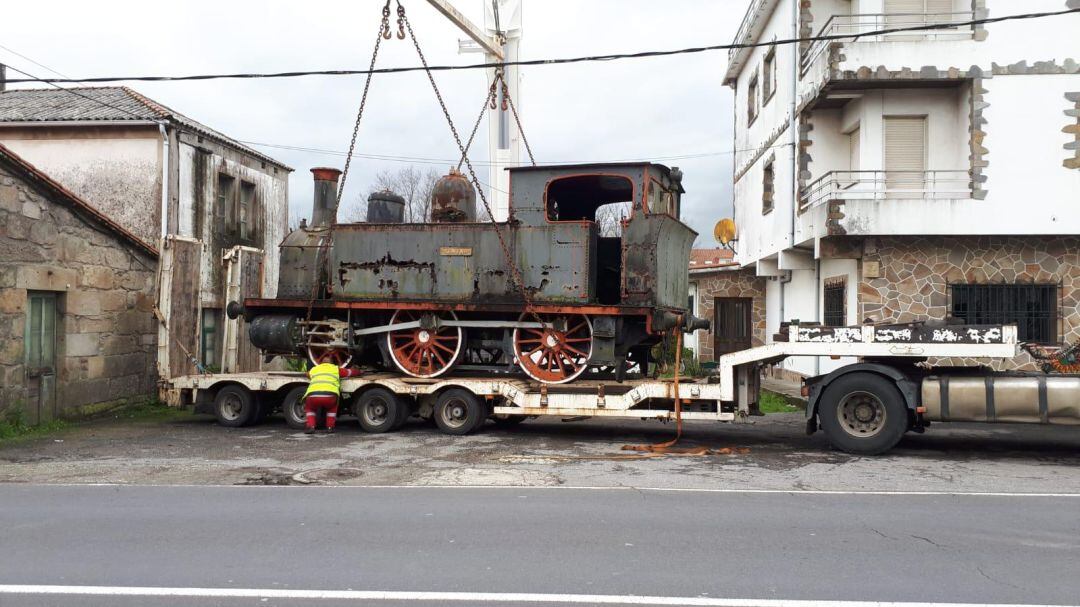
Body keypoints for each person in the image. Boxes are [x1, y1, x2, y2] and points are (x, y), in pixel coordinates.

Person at [303, 362, 361, 434]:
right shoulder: (335, 369)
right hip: (330, 395)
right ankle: (330, 427)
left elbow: (307, 374)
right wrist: (359, 371)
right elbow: (349, 372)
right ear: (331, 363)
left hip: (313, 395)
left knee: (310, 409)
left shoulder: (315, 369)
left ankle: (311, 427)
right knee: (331, 409)